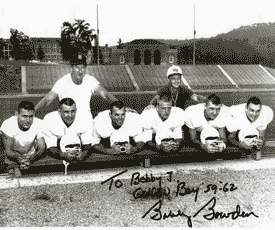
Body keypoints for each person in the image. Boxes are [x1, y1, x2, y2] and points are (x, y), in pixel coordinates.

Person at [35, 54, 135, 120]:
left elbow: (105, 94)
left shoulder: (90, 80)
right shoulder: (62, 82)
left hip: (86, 121)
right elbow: (48, 99)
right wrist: (33, 112)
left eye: (83, 67)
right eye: (77, 67)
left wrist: (121, 107)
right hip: (68, 121)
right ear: (71, 68)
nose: (80, 71)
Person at [0, 101, 46, 177]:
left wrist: (31, 158)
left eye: (31, 116)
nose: (28, 120)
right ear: (17, 114)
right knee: (15, 174)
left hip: (30, 155)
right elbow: (8, 151)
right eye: (24, 116)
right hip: (13, 155)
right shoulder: (8, 124)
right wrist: (20, 159)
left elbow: (42, 147)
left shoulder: (39, 123)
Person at [43, 98, 94, 162]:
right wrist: (63, 155)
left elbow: (87, 144)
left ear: (76, 110)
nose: (70, 115)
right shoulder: (50, 119)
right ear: (59, 112)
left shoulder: (84, 118)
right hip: (60, 156)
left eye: (73, 111)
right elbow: (50, 147)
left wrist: (84, 154)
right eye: (66, 112)